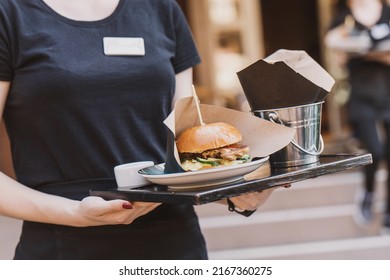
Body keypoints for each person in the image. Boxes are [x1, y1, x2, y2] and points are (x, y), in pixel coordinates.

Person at [0, 0, 282, 260]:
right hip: (62, 245)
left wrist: (236, 189)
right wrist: (75, 213)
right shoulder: (10, 13)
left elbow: (183, 143)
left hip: (174, 243)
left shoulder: (160, 7)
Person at [325, 0, 390, 231]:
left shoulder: (387, 12)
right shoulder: (343, 16)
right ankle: (369, 193)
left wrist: (372, 54)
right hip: (361, 95)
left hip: (388, 91)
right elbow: (339, 56)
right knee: (375, 151)